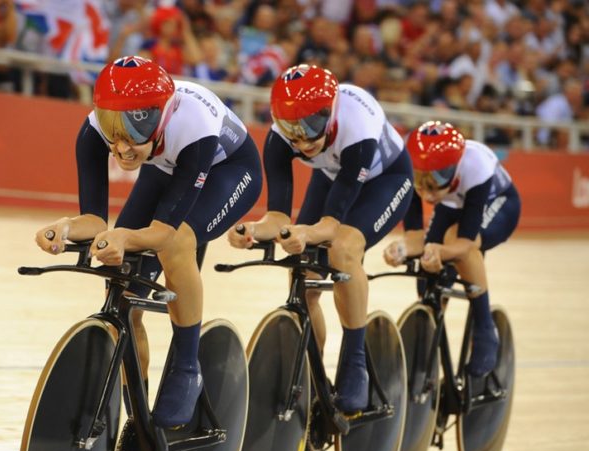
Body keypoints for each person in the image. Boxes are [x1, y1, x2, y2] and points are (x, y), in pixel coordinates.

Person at [34, 56, 262, 429]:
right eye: (112, 126)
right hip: (165, 166)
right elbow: (94, 220)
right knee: (122, 284)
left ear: (163, 114)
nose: (122, 146)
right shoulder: (93, 132)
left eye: (133, 128)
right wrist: (64, 228)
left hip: (228, 170)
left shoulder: (194, 125)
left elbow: (163, 234)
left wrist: (123, 236)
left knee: (177, 243)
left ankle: (187, 368)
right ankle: (136, 417)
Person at [228, 64, 414, 414]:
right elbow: (278, 218)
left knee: (343, 249)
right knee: (305, 273)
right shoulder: (280, 137)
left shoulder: (357, 128)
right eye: (290, 130)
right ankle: (313, 372)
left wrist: (304, 232)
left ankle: (355, 359)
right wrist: (252, 231)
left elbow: (329, 226)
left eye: (309, 127)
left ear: (330, 114)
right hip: (335, 174)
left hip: (385, 179)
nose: (299, 139)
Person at [383, 121, 521, 377]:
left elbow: (465, 243)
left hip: (498, 201)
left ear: (455, 167)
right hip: (452, 202)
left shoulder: (475, 165)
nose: (425, 190)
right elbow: (415, 240)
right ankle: (432, 338)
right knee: (428, 282)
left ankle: (484, 327)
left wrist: (441, 252)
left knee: (456, 244)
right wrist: (400, 250)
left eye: (436, 178)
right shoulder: (411, 172)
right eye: (420, 178)